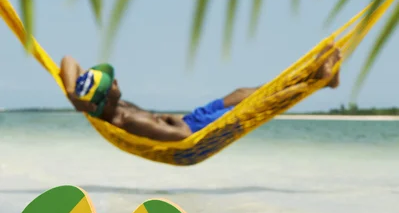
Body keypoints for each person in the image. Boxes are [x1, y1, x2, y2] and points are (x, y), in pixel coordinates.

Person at [60, 44, 341, 142]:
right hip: (197, 129)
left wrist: (73, 94)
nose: (118, 80)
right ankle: (318, 81)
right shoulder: (128, 121)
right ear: (107, 96)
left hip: (193, 117)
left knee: (244, 92)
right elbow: (183, 136)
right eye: (113, 82)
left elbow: (68, 60)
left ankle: (318, 77)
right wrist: (170, 119)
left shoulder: (97, 104)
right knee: (261, 104)